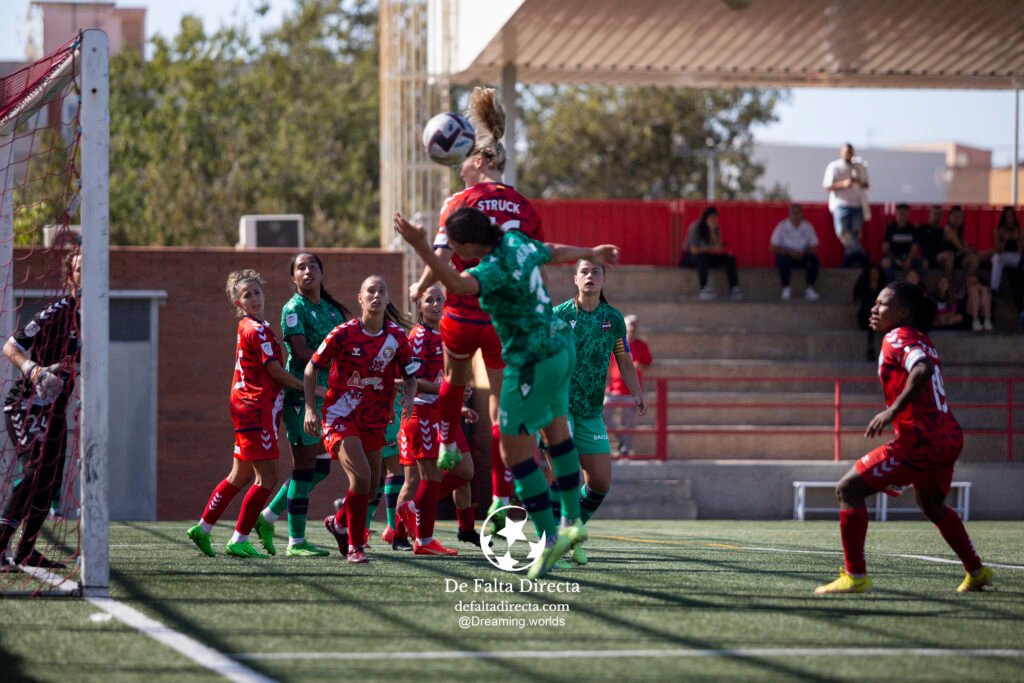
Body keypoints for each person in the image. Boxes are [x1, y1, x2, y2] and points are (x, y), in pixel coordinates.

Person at [394, 206, 619, 580]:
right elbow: (552, 250)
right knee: (557, 433)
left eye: (455, 246)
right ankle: (570, 523)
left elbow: (457, 286)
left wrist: (420, 247)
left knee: (513, 451)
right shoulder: (517, 241)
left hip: (531, 359)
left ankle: (551, 536)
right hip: (562, 348)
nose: (453, 252)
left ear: (469, 245)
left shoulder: (492, 268)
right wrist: (591, 252)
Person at [408, 86, 546, 536]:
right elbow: (536, 260)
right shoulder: (524, 207)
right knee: (502, 411)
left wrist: (419, 286)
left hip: (465, 311)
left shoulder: (460, 202)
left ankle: (448, 441)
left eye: (463, 160)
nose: (459, 167)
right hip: (506, 321)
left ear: (481, 160)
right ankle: (501, 501)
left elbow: (442, 256)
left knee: (453, 379)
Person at [815, 281, 993, 594]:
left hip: (920, 441)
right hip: (947, 436)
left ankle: (855, 576)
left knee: (848, 489)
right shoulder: (922, 339)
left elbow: (922, 370)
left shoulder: (896, 336)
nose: (874, 308)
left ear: (902, 312)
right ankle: (976, 571)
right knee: (932, 505)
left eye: (882, 304)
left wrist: (892, 411)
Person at [186, 270, 311, 559]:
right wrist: (309, 388)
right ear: (237, 302)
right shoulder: (256, 329)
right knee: (267, 477)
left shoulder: (252, 326)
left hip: (247, 407)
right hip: (256, 409)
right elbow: (275, 371)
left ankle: (203, 528)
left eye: (257, 292)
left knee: (239, 474)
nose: (254, 298)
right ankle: (239, 539)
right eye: (247, 295)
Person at [311, 275, 418, 564]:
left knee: (370, 488)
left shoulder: (396, 337)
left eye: (382, 291)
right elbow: (311, 368)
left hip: (375, 419)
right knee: (361, 477)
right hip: (340, 414)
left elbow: (410, 376)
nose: (376, 295)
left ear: (387, 298)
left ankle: (338, 522)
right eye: (371, 291)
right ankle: (355, 545)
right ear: (360, 298)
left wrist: (409, 397)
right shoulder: (343, 334)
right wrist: (310, 408)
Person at [254, 253, 350, 558]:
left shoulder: (332, 310)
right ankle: (296, 542)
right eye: (301, 267)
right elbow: (300, 351)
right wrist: (339, 362)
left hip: (328, 397)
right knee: (304, 469)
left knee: (320, 468)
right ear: (293, 277)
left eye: (313, 266)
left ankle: (267, 516)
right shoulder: (293, 308)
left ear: (322, 272)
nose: (308, 271)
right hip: (302, 396)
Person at [553, 260, 646, 565]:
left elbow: (624, 359)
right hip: (560, 407)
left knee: (600, 483)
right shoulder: (559, 315)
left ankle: (570, 533)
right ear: (575, 279)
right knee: (566, 476)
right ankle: (551, 541)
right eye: (584, 271)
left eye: (596, 271)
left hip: (592, 410)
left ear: (604, 279)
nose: (590, 276)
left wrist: (637, 392)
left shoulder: (613, 318)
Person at [1, 253, 80, 572]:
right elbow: (10, 346)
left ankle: (26, 551)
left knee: (51, 480)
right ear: (70, 276)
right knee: (35, 471)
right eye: (80, 269)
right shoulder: (58, 311)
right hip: (27, 405)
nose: (86, 274)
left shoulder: (94, 317)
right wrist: (34, 370)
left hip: (56, 410)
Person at [395, 285, 481, 555]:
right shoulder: (418, 337)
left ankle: (415, 510)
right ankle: (413, 536)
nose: (435, 304)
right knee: (423, 479)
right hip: (423, 412)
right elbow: (412, 381)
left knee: (465, 471)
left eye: (439, 299)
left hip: (444, 412)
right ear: (419, 306)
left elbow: (446, 377)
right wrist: (450, 391)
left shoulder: (447, 332)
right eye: (428, 300)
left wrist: (458, 401)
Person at [604, 315, 652, 456]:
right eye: (629, 324)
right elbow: (608, 365)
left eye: (634, 325)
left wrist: (639, 366)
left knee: (629, 422)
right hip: (614, 389)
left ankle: (625, 450)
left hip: (631, 391)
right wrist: (607, 384)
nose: (632, 328)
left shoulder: (641, 345)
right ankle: (622, 439)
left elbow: (648, 364)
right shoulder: (616, 343)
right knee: (603, 414)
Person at [822, 143, 870, 268]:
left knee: (855, 234)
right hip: (841, 204)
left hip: (857, 204)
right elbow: (827, 186)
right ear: (841, 152)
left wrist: (858, 181)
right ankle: (862, 256)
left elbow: (866, 184)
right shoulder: (834, 166)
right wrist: (844, 184)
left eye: (850, 152)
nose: (848, 155)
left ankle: (849, 259)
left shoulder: (858, 166)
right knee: (843, 232)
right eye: (846, 152)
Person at [679, 206, 742, 300]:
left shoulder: (716, 229)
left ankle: (734, 288)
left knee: (730, 257)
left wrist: (712, 231)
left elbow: (718, 247)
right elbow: (693, 250)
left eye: (716, 218)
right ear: (705, 218)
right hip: (691, 258)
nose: (714, 220)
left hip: (708, 257)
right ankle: (703, 288)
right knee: (703, 257)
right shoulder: (696, 227)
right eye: (711, 218)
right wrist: (709, 249)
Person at [769, 204, 820, 300]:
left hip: (802, 256)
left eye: (798, 213)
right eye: (793, 213)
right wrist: (790, 252)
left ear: (802, 214)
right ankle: (786, 288)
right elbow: (773, 248)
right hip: (787, 256)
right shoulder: (782, 226)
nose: (796, 216)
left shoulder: (808, 227)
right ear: (789, 214)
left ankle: (809, 289)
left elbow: (814, 247)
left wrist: (803, 252)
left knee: (814, 260)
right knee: (783, 259)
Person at [853, 263, 887, 362]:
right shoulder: (863, 286)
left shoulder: (883, 288)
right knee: (871, 316)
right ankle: (870, 346)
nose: (874, 275)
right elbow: (857, 298)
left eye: (876, 273)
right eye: (872, 273)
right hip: (865, 318)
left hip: (880, 319)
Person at [880, 203, 922, 282]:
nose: (902, 215)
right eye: (900, 213)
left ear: (908, 214)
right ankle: (891, 286)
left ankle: (916, 286)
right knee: (885, 263)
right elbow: (885, 249)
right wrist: (896, 260)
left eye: (904, 213)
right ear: (896, 214)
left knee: (924, 263)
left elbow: (914, 248)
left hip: (908, 257)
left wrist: (908, 260)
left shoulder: (912, 229)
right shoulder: (890, 228)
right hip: (893, 258)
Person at [936, 206, 979, 281]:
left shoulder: (959, 233)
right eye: (955, 217)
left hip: (957, 257)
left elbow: (966, 247)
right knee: (950, 256)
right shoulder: (948, 230)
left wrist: (973, 251)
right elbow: (961, 249)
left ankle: (967, 285)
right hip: (946, 257)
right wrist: (972, 250)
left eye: (960, 218)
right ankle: (947, 284)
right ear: (949, 217)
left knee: (974, 259)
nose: (957, 220)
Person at [989, 206, 1022, 294]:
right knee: (997, 259)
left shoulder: (1019, 230)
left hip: (1016, 256)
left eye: (1011, 217)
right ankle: (994, 289)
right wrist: (1004, 239)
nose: (1009, 220)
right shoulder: (998, 230)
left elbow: (1021, 251)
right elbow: (997, 250)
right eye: (1007, 217)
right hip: (1002, 255)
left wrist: (1017, 239)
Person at [917, 205, 946, 273]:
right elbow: (915, 245)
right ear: (930, 214)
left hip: (939, 259)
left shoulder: (943, 232)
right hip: (925, 259)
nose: (937, 217)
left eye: (939, 215)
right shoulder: (922, 228)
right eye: (935, 214)